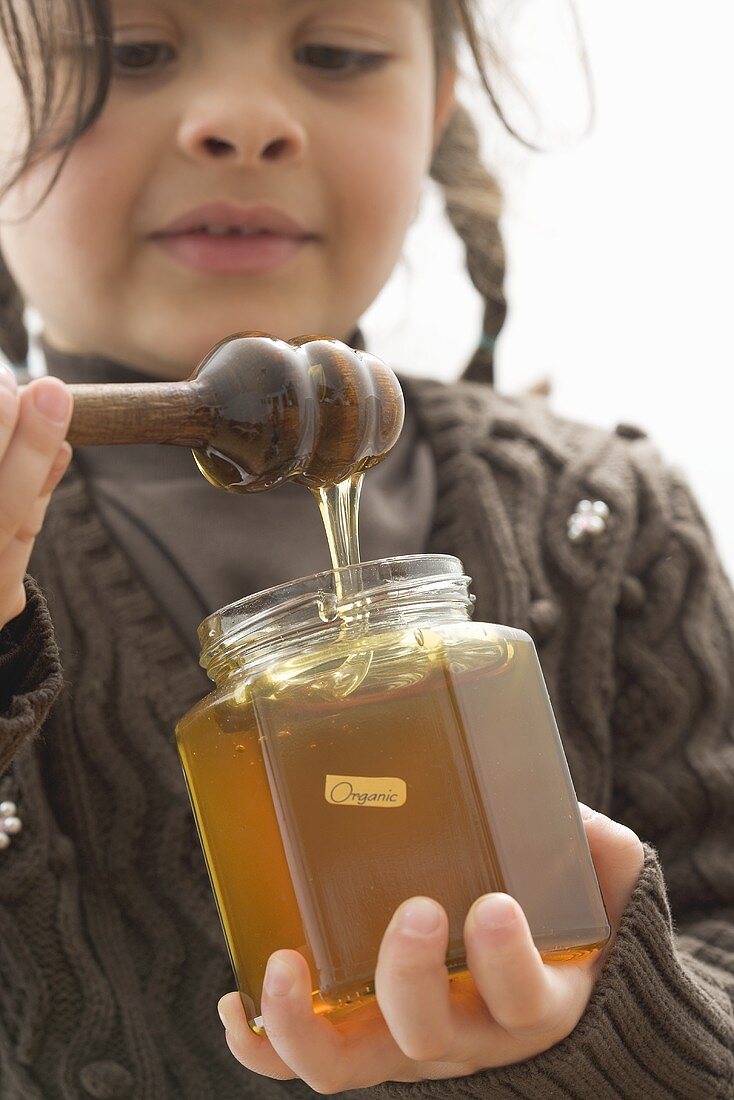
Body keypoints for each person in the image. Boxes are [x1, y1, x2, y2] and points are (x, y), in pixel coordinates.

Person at [0, 1, 731, 1097]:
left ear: (435, 107)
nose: (242, 122)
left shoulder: (607, 520)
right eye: (132, 54)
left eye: (335, 55)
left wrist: (608, 1020)